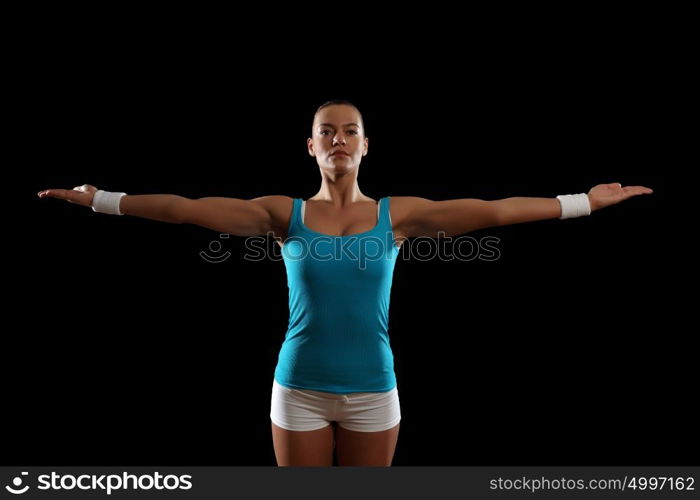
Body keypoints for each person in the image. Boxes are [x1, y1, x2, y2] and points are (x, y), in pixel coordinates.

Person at [37, 99, 653, 466]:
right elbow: (185, 207)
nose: (338, 138)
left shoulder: (399, 215)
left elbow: (494, 210)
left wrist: (584, 203)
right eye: (327, 130)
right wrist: (102, 200)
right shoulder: (284, 214)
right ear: (311, 146)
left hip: (374, 389)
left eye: (349, 129)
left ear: (365, 145)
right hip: (298, 389)